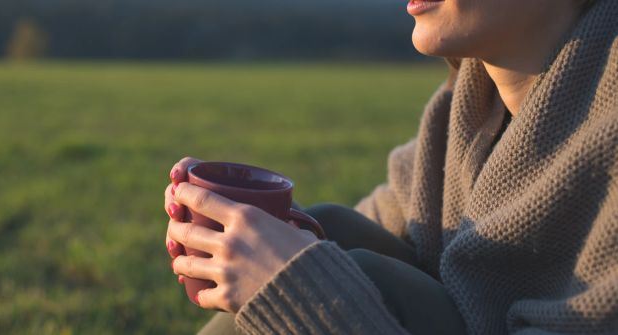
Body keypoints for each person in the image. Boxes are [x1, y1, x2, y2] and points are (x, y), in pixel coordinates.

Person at [163, 0, 618, 333]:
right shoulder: (461, 114)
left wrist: (300, 299)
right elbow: (354, 235)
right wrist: (256, 236)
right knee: (329, 231)